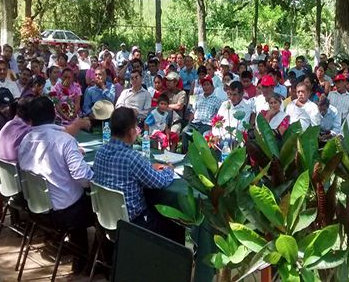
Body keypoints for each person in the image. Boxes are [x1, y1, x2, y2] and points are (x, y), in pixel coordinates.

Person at [18, 96, 94, 272]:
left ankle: (61, 245)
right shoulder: (64, 140)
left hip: (35, 209)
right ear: (54, 114)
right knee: (98, 205)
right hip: (64, 212)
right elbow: (82, 177)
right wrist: (96, 178)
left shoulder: (25, 141)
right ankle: (88, 262)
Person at [92, 107, 183, 243]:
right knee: (175, 227)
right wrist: (169, 169)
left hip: (105, 220)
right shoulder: (132, 158)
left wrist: (147, 167)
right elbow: (159, 181)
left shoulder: (100, 152)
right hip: (133, 223)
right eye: (135, 127)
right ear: (130, 131)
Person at [181, 75, 222, 153]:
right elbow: (192, 111)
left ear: (212, 86)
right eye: (204, 85)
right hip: (195, 123)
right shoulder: (197, 97)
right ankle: (185, 154)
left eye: (208, 84)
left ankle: (199, 157)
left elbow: (219, 116)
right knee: (184, 131)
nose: (205, 87)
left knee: (200, 136)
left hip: (207, 125)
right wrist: (189, 123)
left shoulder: (217, 100)